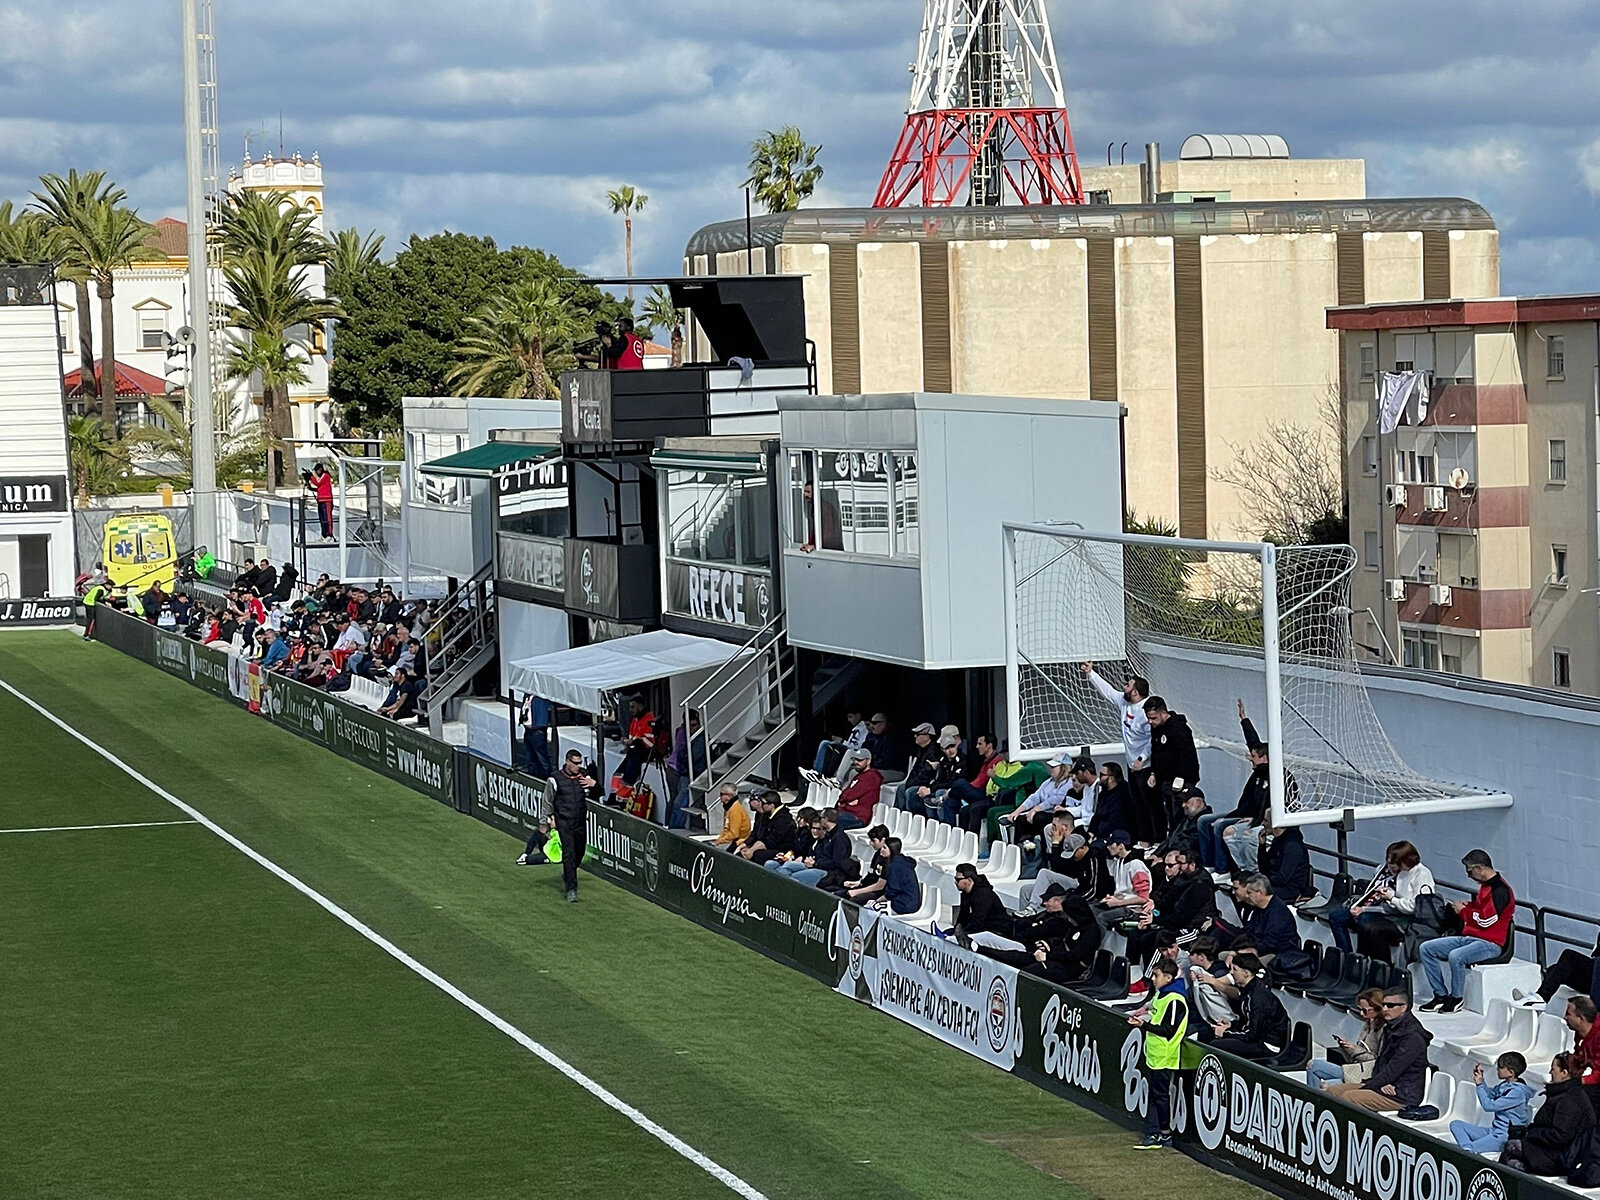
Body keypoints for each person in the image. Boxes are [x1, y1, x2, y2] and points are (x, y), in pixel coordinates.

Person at [1419, 849, 1516, 1013]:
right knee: (1427, 948)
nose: (1468, 875)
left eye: (1470, 871)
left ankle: (1457, 998)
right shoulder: (1485, 887)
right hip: (1470, 937)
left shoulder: (1500, 890)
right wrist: (1468, 907)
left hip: (1490, 943)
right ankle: (1440, 995)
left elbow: (1487, 921)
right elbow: (1481, 911)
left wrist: (1463, 912)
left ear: (1480, 868)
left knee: (1456, 956)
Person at [1327, 990, 1433, 1111]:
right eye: (1383, 1005)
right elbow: (1382, 1062)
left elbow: (1394, 1068)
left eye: (1391, 1005)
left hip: (1401, 1094)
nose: (1385, 1009)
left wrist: (1372, 1086)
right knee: (1333, 1091)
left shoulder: (1413, 1037)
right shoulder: (1391, 1027)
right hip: (1384, 1085)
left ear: (1403, 1007)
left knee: (1349, 1096)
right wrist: (1380, 1083)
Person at [1329, 840, 1436, 959]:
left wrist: (1391, 898)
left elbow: (1414, 907)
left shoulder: (1421, 875)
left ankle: (1370, 961)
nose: (1393, 867)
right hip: (1391, 910)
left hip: (1408, 919)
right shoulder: (1400, 872)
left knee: (1370, 926)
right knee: (1336, 917)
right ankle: (1348, 958)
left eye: (1396, 864)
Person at [1500, 1054, 1597, 1176]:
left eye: (1553, 1069)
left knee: (1511, 1147)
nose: (1550, 1072)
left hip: (1563, 1157)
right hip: (1555, 1151)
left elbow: (1560, 1135)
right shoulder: (1565, 1093)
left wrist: (1532, 1133)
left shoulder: (1570, 1100)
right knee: (1513, 1155)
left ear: (1564, 1073)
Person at [1129, 956, 1189, 1150]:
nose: (1153, 979)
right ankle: (1155, 1132)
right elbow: (1153, 1005)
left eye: (1156, 975)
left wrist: (1144, 1024)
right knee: (1156, 1096)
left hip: (1165, 1056)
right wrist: (1142, 1009)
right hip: (1155, 1054)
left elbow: (1168, 1030)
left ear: (1168, 978)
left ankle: (1162, 1134)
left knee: (1160, 1096)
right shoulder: (1162, 994)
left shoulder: (1174, 1000)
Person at [1198, 952, 1288, 1061]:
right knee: (1205, 1032)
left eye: (1235, 969)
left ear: (1246, 973)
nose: (1231, 973)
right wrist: (1230, 1025)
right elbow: (1247, 1022)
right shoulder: (1248, 990)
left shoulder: (1258, 998)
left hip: (1267, 1045)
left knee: (1216, 1044)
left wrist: (1225, 1033)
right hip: (1256, 1037)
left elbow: (1252, 1035)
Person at [1450, 1053, 1536, 1155]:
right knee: (1456, 1125)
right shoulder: (1505, 1085)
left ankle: (1468, 1149)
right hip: (1493, 1131)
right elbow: (1490, 1094)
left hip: (1504, 1137)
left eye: (1500, 1067)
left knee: (1468, 1148)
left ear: (1511, 1072)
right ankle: (1468, 1148)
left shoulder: (1517, 1093)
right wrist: (1481, 1080)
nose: (1497, 1070)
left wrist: (1479, 1085)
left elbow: (1489, 1106)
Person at [1142, 696, 1198, 843]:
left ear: (1163, 713)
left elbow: (1187, 754)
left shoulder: (1178, 728)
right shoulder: (1156, 728)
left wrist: (1182, 778)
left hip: (1181, 781)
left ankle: (1180, 846)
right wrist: (1153, 772)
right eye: (1148, 718)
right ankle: (1170, 843)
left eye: (1153, 718)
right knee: (1169, 815)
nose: (1150, 722)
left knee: (1180, 815)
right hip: (1165, 780)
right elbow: (1156, 751)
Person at [1003, 754, 1095, 844]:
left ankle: (1041, 852)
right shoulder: (1049, 781)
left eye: (1054, 767)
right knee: (1021, 819)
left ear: (1063, 768)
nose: (1051, 769)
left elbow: (1055, 800)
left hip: (1055, 814)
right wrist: (1017, 811)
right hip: (1044, 812)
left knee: (1039, 819)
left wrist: (1035, 810)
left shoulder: (1069, 782)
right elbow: (1036, 796)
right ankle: (1021, 849)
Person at [1081, 662, 1151, 777]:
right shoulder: (1125, 702)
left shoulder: (1146, 711)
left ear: (1135, 692)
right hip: (1131, 763)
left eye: (1128, 685)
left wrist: (1142, 758)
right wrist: (1090, 673)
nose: (1124, 687)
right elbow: (1108, 692)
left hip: (1145, 765)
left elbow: (1152, 739)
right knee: (1134, 794)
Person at [1306, 990, 1386, 1090]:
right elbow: (1357, 1054)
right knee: (1312, 1065)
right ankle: (1312, 1100)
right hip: (1354, 1068)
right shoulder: (1368, 1024)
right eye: (1360, 1009)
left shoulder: (1384, 1030)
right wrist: (1347, 1047)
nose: (1361, 1013)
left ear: (1377, 1009)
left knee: (1325, 1085)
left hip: (1367, 1073)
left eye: (1365, 1010)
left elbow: (1377, 1060)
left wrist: (1354, 1049)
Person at [768, 808, 853, 888]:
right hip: (814, 865)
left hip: (828, 872)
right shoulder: (827, 835)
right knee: (782, 866)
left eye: (821, 818)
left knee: (793, 877)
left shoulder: (839, 838)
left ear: (826, 819)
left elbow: (838, 862)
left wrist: (816, 863)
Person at [1515, 934, 1600, 1010]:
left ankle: (1540, 998)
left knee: (1569, 958)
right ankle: (1535, 998)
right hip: (1594, 973)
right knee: (1557, 969)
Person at [552, 750, 593, 903]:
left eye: (579, 763)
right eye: (575, 763)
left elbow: (599, 792)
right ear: (567, 761)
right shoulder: (556, 778)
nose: (578, 766)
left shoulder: (584, 776)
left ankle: (569, 873)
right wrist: (548, 819)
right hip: (564, 821)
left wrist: (594, 785)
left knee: (580, 852)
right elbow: (548, 799)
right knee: (568, 853)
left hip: (580, 820)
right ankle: (571, 889)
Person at [1093, 832, 1152, 931]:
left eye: (1111, 844)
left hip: (1133, 909)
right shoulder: (1118, 862)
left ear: (1121, 846)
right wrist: (1112, 898)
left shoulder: (1136, 864)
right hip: (1121, 904)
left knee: (1102, 917)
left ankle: (1099, 945)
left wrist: (1117, 902)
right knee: (1091, 909)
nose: (1108, 847)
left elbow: (1143, 898)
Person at [1236, 873, 1300, 959]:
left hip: (1279, 956)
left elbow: (1270, 943)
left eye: (1249, 892)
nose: (1247, 896)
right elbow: (1249, 931)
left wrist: (1250, 950)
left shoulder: (1278, 912)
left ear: (1260, 892)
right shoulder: (1258, 908)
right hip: (1262, 949)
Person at [951, 863, 1016, 947]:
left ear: (969, 880)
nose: (955, 882)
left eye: (958, 879)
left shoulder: (983, 895)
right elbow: (963, 916)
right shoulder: (965, 894)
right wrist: (956, 929)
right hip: (983, 929)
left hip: (997, 931)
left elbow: (978, 921)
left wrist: (962, 934)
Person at [735, 791, 796, 866]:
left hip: (782, 850)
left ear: (771, 805)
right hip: (767, 846)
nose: (760, 805)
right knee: (740, 851)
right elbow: (759, 835)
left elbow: (771, 841)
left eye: (763, 803)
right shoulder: (766, 816)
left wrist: (752, 850)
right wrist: (746, 846)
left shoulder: (783, 819)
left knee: (757, 855)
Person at [1257, 823, 1314, 903]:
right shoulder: (1278, 841)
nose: (1263, 823)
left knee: (1254, 893)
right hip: (1276, 884)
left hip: (1290, 889)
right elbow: (1264, 869)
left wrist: (1263, 881)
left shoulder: (1292, 846)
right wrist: (1262, 845)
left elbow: (1283, 877)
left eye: (1266, 820)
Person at [810, 709, 867, 784]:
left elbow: (858, 746)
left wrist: (842, 741)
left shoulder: (864, 728)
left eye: (851, 717)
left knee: (836, 748)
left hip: (853, 750)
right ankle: (817, 771)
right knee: (825, 743)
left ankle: (823, 774)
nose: (849, 720)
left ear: (858, 715)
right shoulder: (855, 728)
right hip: (847, 746)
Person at [894, 723, 943, 810]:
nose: (915, 736)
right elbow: (915, 770)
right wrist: (908, 783)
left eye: (918, 734)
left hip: (927, 785)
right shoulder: (921, 750)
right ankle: (899, 815)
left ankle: (912, 817)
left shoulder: (934, 752)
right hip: (918, 782)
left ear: (928, 736)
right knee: (901, 788)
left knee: (910, 791)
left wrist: (911, 784)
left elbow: (926, 775)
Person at [842, 825, 893, 904]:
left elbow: (880, 886)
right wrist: (858, 883)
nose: (871, 843)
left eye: (873, 841)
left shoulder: (889, 861)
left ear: (883, 840)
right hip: (869, 887)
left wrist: (857, 892)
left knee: (853, 900)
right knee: (840, 892)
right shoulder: (877, 854)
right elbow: (871, 874)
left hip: (879, 892)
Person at [615, 695, 657, 789]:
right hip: (634, 751)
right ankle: (617, 791)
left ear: (640, 706)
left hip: (645, 752)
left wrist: (633, 742)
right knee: (619, 773)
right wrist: (628, 741)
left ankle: (623, 790)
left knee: (629, 772)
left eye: (633, 707)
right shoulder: (635, 719)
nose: (630, 710)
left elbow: (650, 742)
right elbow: (633, 737)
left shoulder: (649, 719)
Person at [1156, 787, 1210, 858]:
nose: (1183, 805)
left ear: (1198, 802)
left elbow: (1189, 844)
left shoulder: (1204, 822)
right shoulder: (1185, 820)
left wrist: (1164, 856)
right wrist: (1156, 854)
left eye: (1186, 802)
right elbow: (1171, 838)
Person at [836, 748, 883, 829]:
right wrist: (845, 800)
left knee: (827, 822)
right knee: (818, 816)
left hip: (858, 817)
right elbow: (844, 795)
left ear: (868, 761)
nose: (856, 762)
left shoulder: (872, 776)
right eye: (855, 759)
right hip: (846, 812)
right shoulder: (858, 776)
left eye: (859, 760)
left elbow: (849, 796)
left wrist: (845, 800)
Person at [877, 837, 922, 915]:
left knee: (869, 909)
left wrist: (877, 901)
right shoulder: (899, 862)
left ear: (892, 849)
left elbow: (892, 891)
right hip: (905, 902)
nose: (881, 850)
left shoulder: (896, 866)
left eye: (884, 848)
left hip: (903, 905)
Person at [519, 694, 554, 780]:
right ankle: (532, 776)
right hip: (528, 730)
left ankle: (545, 777)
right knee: (531, 756)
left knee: (541, 756)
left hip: (537, 731)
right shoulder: (526, 696)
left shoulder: (540, 698)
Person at [711, 785, 752, 849]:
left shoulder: (735, 810)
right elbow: (726, 829)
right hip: (731, 840)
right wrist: (719, 840)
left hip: (739, 841)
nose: (720, 797)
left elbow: (734, 834)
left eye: (721, 794)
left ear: (729, 796)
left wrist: (719, 842)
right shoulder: (729, 808)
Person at [309, 462, 335, 540]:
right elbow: (320, 488)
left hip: (326, 500)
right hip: (321, 500)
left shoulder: (325, 476)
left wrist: (311, 477)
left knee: (327, 518)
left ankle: (329, 535)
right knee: (322, 518)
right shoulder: (322, 477)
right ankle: (324, 534)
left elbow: (318, 483)